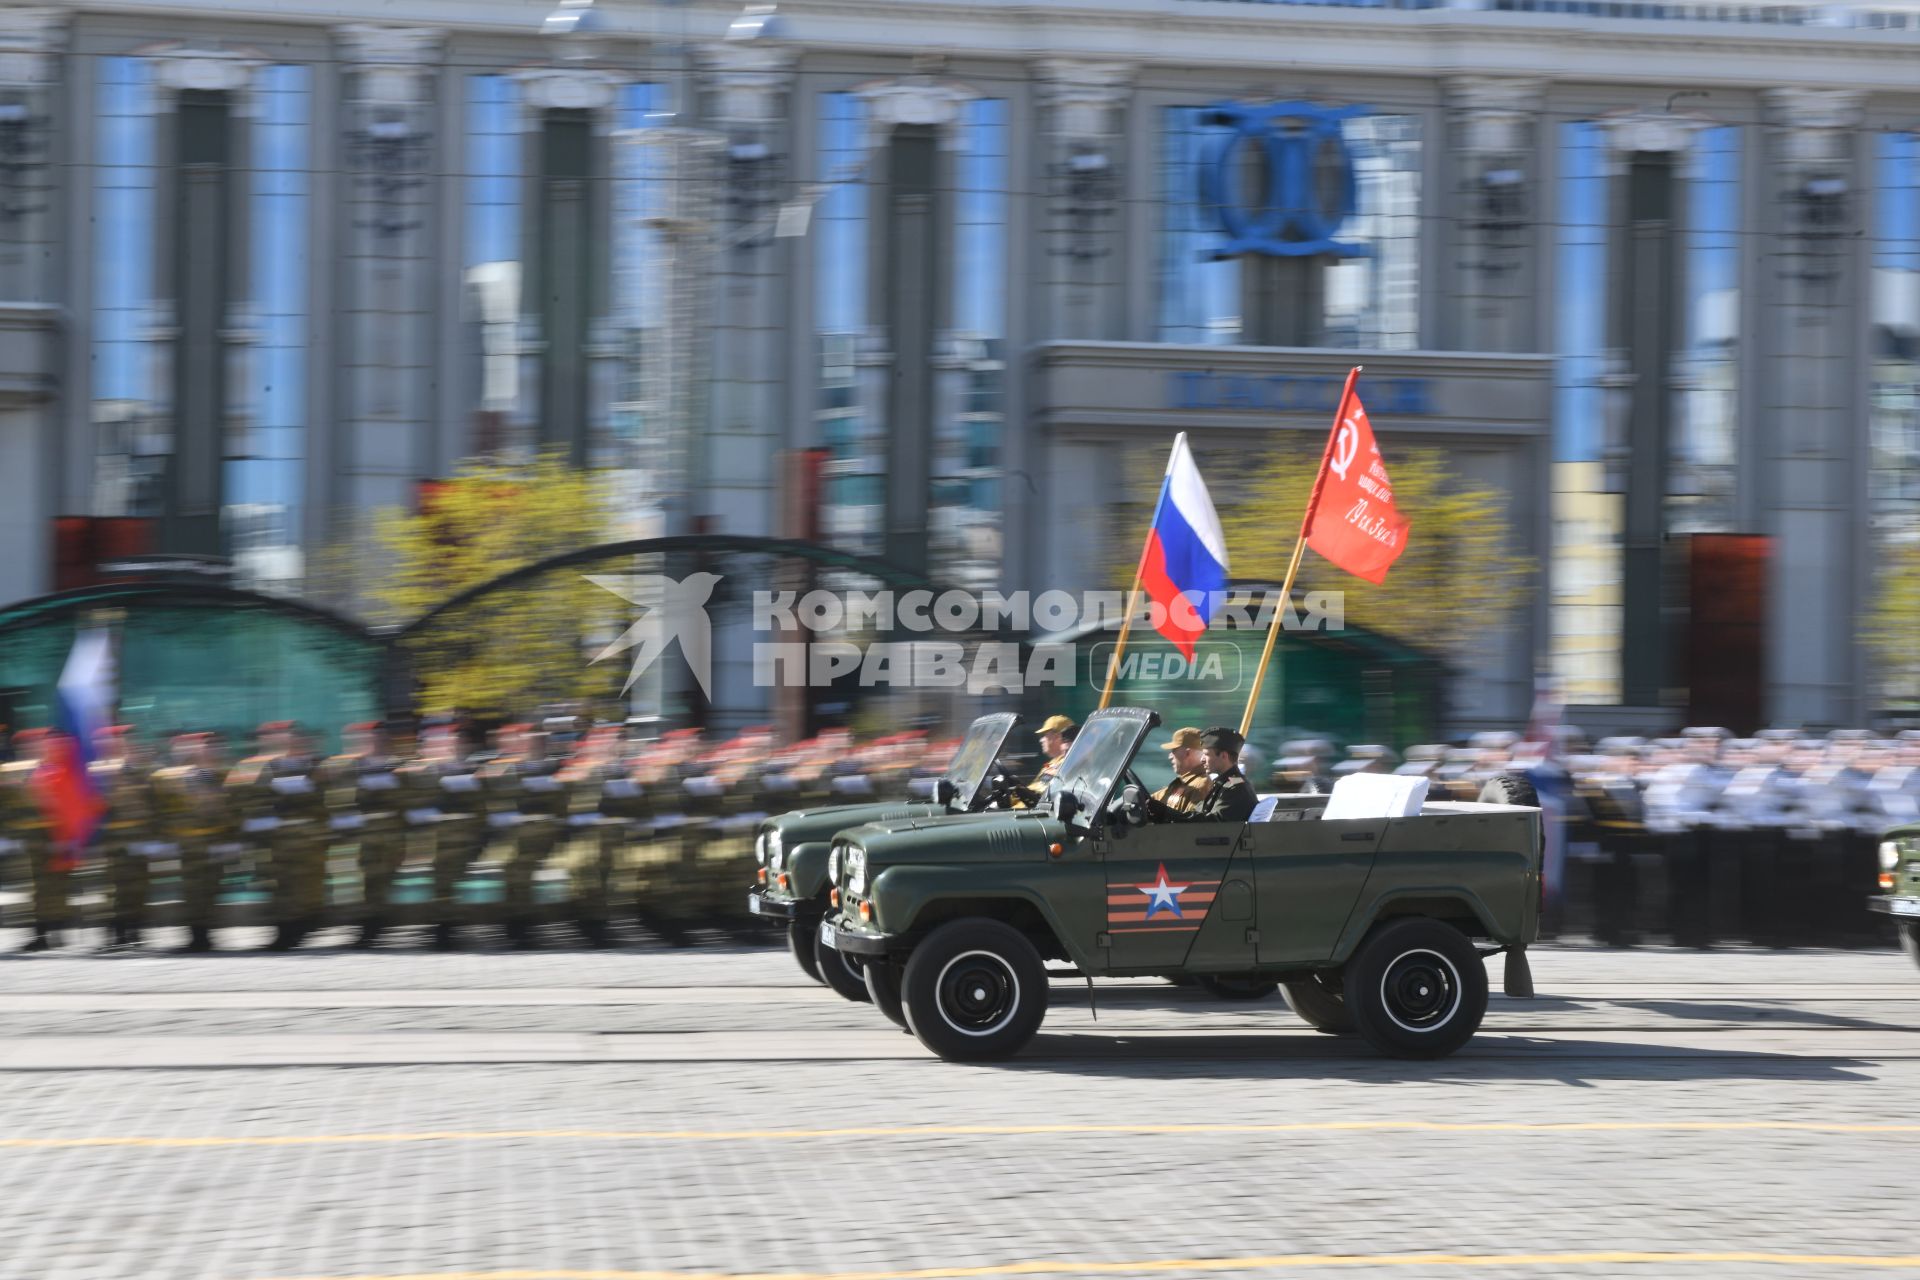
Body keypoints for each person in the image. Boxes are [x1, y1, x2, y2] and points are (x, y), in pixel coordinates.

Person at [1188, 726, 1257, 823]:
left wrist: (1167, 813)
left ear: (1224, 756)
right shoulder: (1223, 783)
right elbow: (1198, 812)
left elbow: (1214, 823)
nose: (1202, 759)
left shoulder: (1236, 788)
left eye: (1206, 754)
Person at [1151, 727, 1213, 816]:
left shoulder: (1200, 786)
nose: (1170, 756)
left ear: (1187, 753)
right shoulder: (1182, 783)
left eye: (1174, 750)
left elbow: (1190, 825)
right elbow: (1154, 798)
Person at [1021, 714, 1075, 804]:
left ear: (1058, 737)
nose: (1041, 740)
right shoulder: (1053, 763)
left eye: (1044, 735)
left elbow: (1040, 790)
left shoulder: (1064, 764)